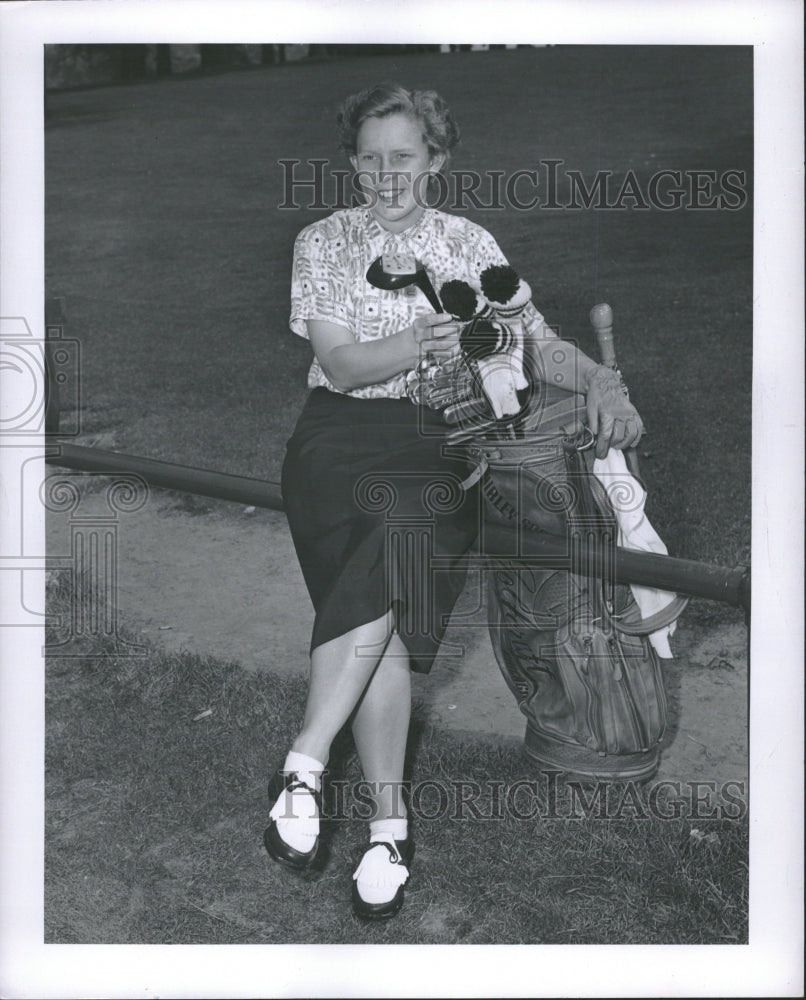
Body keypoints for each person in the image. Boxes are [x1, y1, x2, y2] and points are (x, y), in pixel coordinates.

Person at [264, 83, 643, 920]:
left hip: (439, 445)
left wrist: (604, 384)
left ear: (436, 159)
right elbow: (343, 367)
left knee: (380, 591)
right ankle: (388, 827)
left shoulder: (469, 242)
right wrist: (413, 338)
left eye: (403, 156)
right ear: (353, 162)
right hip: (335, 443)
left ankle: (305, 763)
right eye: (370, 157)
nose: (385, 173)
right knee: (381, 626)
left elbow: (539, 345)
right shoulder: (322, 241)